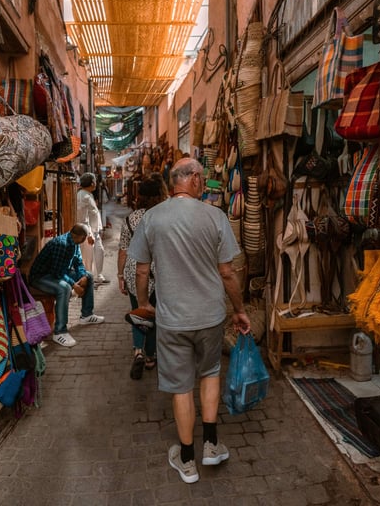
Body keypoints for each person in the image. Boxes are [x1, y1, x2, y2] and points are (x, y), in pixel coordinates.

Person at [127, 157, 251, 484]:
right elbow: (227, 272)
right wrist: (239, 310)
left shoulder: (152, 218)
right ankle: (210, 444)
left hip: (172, 319)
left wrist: (142, 304)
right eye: (203, 178)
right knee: (209, 373)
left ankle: (186, 460)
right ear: (195, 179)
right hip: (210, 316)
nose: (205, 182)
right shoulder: (215, 216)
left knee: (181, 386)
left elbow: (141, 269)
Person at [117, 172, 169, 380]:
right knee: (154, 314)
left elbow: (123, 249)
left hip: (133, 268)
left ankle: (137, 350)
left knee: (139, 310)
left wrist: (120, 275)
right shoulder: (165, 217)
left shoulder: (131, 218)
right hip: (159, 270)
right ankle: (150, 357)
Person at [29, 223, 105, 347]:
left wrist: (83, 276)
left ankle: (87, 314)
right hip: (41, 276)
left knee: (90, 276)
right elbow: (57, 272)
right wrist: (75, 285)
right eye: (84, 237)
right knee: (64, 288)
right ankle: (60, 332)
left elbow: (78, 262)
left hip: (58, 271)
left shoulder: (74, 243)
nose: (85, 239)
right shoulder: (61, 244)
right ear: (77, 236)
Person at [77, 172, 109, 284]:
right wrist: (89, 234)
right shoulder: (83, 196)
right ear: (91, 183)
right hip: (88, 232)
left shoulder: (87, 195)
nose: (96, 183)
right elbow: (83, 218)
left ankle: (97, 276)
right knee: (88, 258)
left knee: (99, 252)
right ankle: (88, 280)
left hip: (94, 231)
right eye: (94, 181)